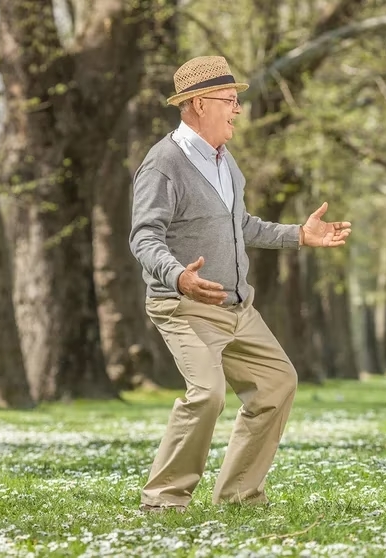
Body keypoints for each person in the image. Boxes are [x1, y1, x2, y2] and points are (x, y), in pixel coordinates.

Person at [129, 56, 352, 512]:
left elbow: (241, 225)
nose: (238, 110)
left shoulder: (225, 161)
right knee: (207, 394)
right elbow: (143, 237)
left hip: (237, 308)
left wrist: (298, 236)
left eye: (237, 100)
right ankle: (164, 499)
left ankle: (238, 496)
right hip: (184, 306)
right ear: (196, 104)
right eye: (229, 100)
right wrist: (178, 277)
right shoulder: (164, 164)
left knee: (277, 383)